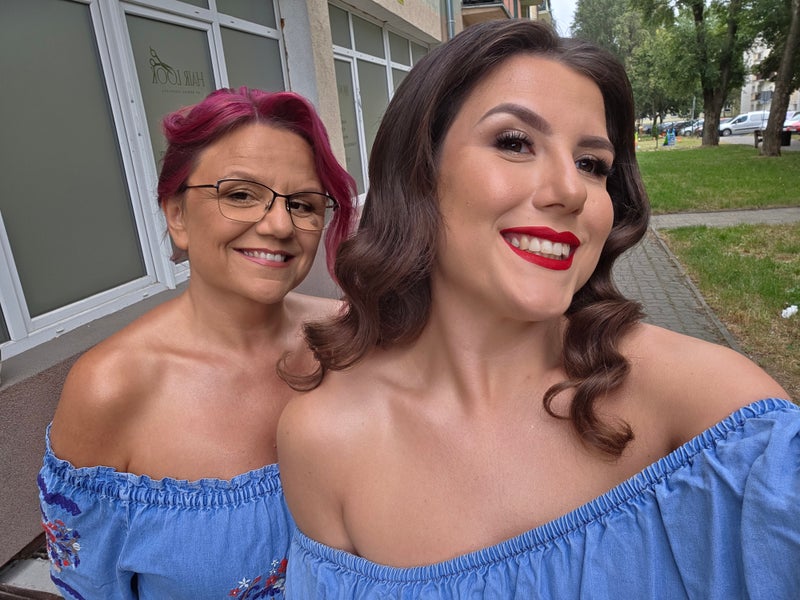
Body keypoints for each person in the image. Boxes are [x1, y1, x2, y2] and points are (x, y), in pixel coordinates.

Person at [277, 20, 799, 598]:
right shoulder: (323, 439)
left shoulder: (708, 404)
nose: (571, 191)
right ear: (418, 172)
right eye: (514, 142)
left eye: (592, 164)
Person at [37, 87, 356, 599]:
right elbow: (90, 584)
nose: (280, 225)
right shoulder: (112, 388)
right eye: (240, 195)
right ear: (177, 215)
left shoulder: (349, 341)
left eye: (303, 204)